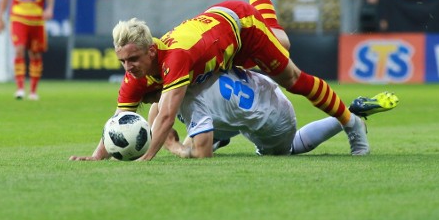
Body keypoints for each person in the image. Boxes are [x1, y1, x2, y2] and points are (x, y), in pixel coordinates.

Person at [71, 0, 373, 161]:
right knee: (282, 41)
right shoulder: (136, 73)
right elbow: (119, 119)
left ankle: (351, 124)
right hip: (218, 40)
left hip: (241, 27)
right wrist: (97, 156)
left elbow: (164, 115)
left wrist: (146, 158)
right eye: (122, 61)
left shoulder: (175, 59)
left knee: (292, 77)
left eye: (133, 59)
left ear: (151, 50)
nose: (128, 67)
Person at [153, 66, 398, 159]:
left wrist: (173, 146)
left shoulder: (189, 102)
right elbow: (157, 109)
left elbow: (201, 154)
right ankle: (221, 133)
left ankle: (350, 114)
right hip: (263, 88)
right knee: (209, 126)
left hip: (272, 119)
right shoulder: (195, 65)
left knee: (288, 148)